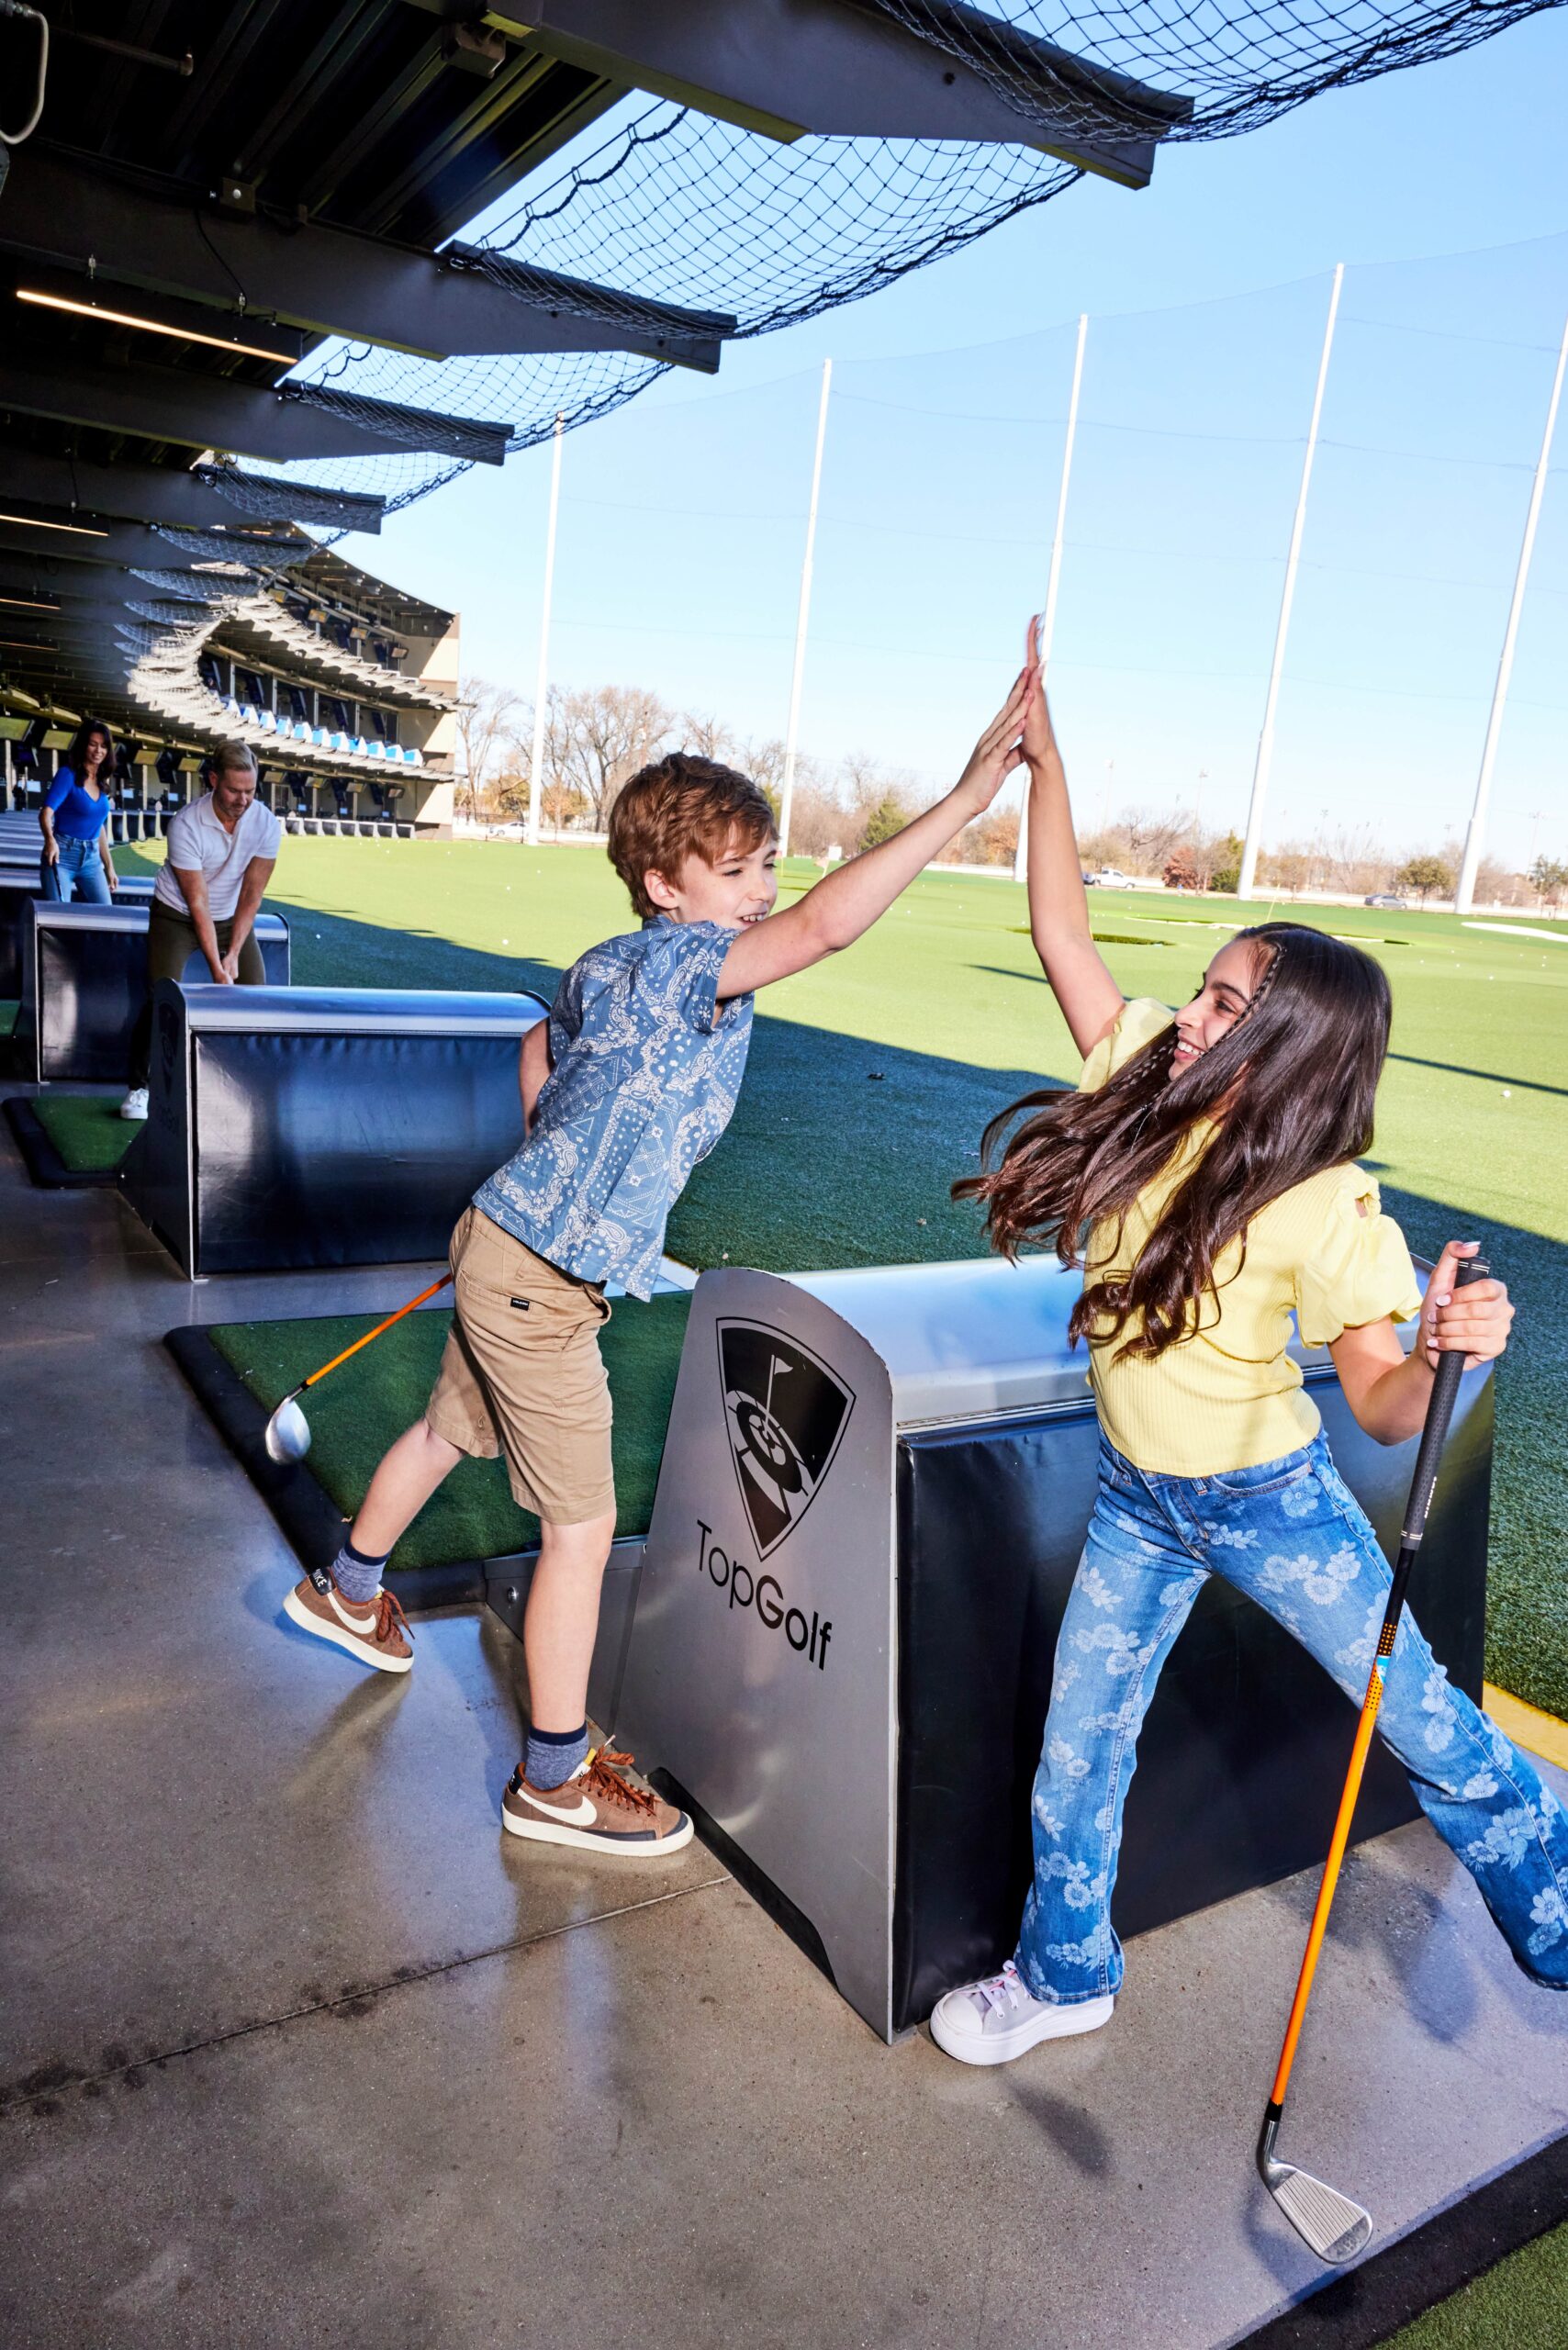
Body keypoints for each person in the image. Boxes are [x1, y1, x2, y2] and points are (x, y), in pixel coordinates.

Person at [930, 632, 1566, 2065]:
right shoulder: (1142, 1076)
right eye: (1201, 989)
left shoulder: (1329, 1203)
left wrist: (1454, 1350)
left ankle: (1559, 1898)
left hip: (1269, 1500)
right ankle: (1065, 1971)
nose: (1189, 1015)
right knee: (1079, 1749)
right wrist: (1046, 768)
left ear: (1285, 1050)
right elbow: (1062, 933)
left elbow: (1386, 1406)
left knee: (1421, 1721)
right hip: (1135, 1496)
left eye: (1223, 1005)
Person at [282, 674, 1035, 1858]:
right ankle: (551, 1780)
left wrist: (549, 1174)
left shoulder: (610, 961)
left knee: (447, 1430)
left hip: (511, 1248)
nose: (761, 891)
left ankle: (347, 1587)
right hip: (536, 1281)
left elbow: (540, 1045)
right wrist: (967, 797)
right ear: (664, 886)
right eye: (733, 872)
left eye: (765, 864)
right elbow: (825, 928)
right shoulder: (690, 964)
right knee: (580, 1532)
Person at [119, 741, 279, 1122]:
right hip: (176, 914)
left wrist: (233, 953)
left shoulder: (265, 823)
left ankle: (243, 1084)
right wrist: (217, 968)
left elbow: (252, 895)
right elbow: (197, 902)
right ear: (213, 780)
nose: (243, 800)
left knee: (254, 994)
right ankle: (140, 1086)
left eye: (250, 791)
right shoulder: (186, 824)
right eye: (234, 790)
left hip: (231, 916)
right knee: (163, 995)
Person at [39, 719, 119, 904]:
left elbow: (99, 827)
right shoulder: (67, 775)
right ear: (83, 745)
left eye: (103, 746)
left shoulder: (101, 781)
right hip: (61, 856)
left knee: (106, 913)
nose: (98, 750)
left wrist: (109, 867)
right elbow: (45, 813)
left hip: (91, 860)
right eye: (93, 744)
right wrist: (50, 841)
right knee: (59, 914)